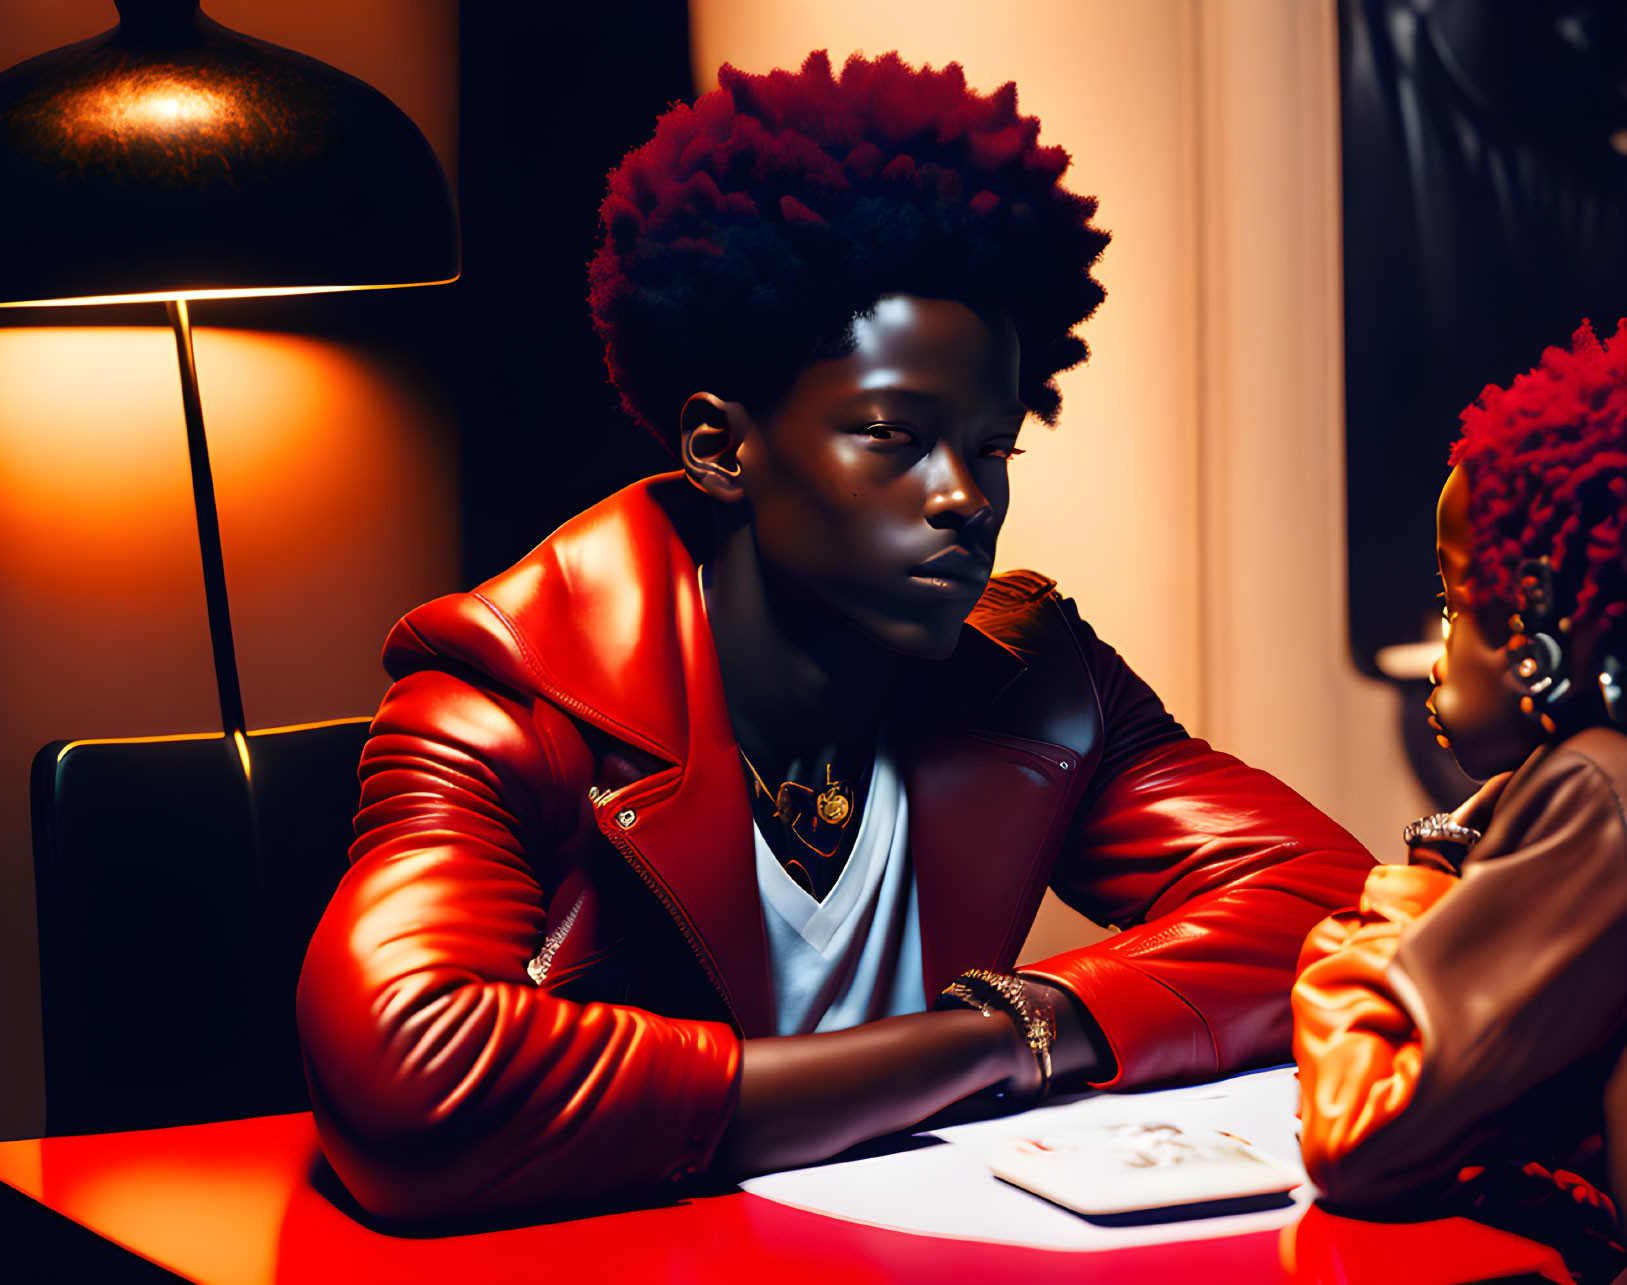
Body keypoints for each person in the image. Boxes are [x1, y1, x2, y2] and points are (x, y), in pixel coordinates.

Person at [297, 50, 1373, 1221]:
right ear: (719, 447)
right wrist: (983, 1049)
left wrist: (1019, 1026)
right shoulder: (501, 701)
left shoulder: (1038, 677)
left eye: (992, 444)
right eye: (892, 436)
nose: (968, 495)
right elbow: (413, 1083)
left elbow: (1332, 910)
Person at [1293, 319, 1627, 1277]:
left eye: (1450, 602)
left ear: (1527, 629)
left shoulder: (1592, 788)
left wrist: (1421, 873)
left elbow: (1358, 1137)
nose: (1440, 649)